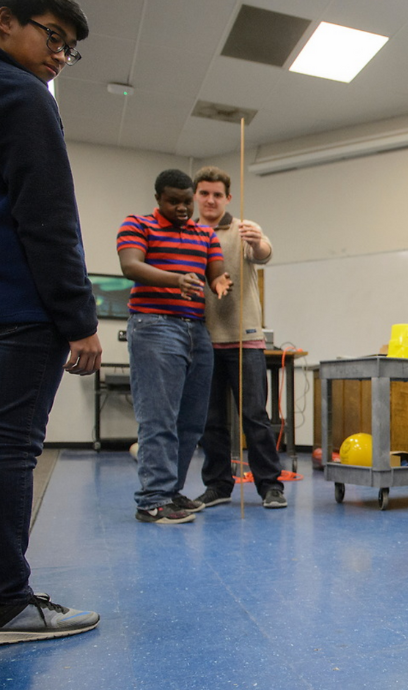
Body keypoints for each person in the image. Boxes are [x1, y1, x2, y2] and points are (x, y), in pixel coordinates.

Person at [0, 0, 101, 645]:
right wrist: (79, 318)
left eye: (70, 48)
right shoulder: (27, 98)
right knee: (12, 452)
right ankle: (8, 603)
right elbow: (48, 219)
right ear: (6, 19)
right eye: (54, 37)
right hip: (22, 310)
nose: (60, 55)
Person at [118, 169, 230, 525]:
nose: (182, 208)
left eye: (186, 201)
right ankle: (152, 500)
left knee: (192, 422)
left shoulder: (205, 234)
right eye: (174, 201)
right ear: (158, 199)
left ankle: (171, 492)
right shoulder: (137, 224)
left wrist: (221, 281)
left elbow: (215, 272)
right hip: (154, 325)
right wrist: (175, 279)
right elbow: (131, 265)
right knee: (159, 419)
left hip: (196, 330)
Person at [190, 166, 287, 510]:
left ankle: (270, 486)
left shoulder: (243, 230)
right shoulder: (187, 234)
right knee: (211, 421)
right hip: (203, 341)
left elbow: (264, 252)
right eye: (205, 193)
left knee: (254, 417)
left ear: (227, 198)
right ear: (195, 196)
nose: (211, 200)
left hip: (245, 341)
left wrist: (257, 240)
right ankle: (218, 485)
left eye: (218, 194)